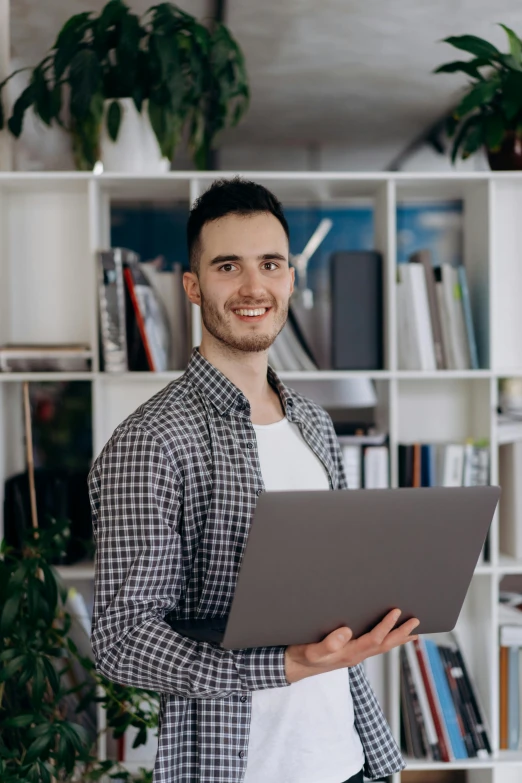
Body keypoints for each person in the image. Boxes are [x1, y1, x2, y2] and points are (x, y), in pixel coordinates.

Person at [88, 177, 420, 783]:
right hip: (238, 767)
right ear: (193, 287)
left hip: (349, 757)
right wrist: (283, 664)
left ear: (290, 278)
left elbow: (337, 589)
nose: (253, 287)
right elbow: (122, 637)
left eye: (270, 264)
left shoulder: (316, 425)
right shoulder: (150, 440)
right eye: (227, 266)